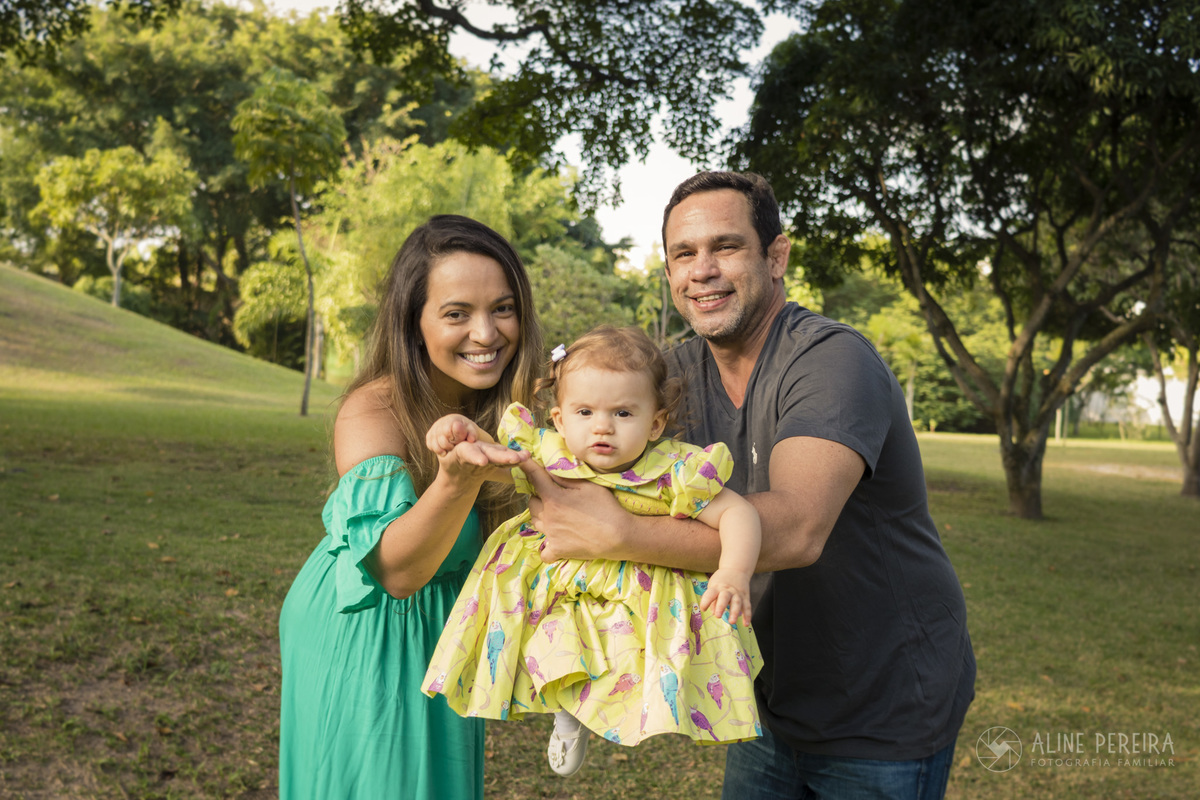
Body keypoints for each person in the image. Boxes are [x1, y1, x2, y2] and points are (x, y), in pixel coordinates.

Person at [519, 172, 976, 800]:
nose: (702, 270)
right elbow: (581, 418)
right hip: (767, 693)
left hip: (883, 699)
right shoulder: (671, 376)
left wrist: (618, 534)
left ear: (777, 256)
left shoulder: (831, 361)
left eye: (726, 247)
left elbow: (796, 531)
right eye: (684, 254)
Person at [277, 215, 543, 800]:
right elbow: (394, 569)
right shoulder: (374, 409)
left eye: (502, 308)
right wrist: (456, 479)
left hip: (445, 630)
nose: (486, 333)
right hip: (370, 630)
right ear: (413, 323)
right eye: (456, 313)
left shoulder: (515, 408)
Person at [421, 325, 764, 777]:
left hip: (633, 594)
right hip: (557, 586)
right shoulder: (550, 455)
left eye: (623, 413)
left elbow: (739, 514)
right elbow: (494, 462)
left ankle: (638, 710)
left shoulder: (672, 472)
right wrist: (463, 435)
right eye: (585, 411)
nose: (602, 426)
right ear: (560, 419)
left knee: (630, 653)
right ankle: (567, 715)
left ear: (655, 422)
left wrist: (734, 570)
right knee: (552, 645)